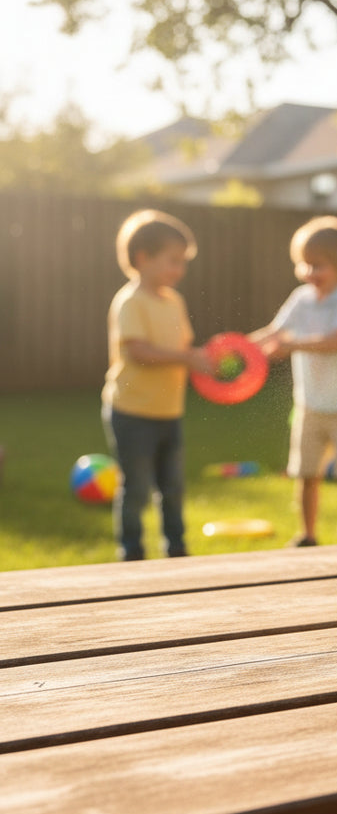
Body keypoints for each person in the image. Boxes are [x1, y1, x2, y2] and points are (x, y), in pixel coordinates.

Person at [250, 216, 337, 546]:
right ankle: (307, 534)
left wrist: (292, 345)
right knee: (305, 474)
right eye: (304, 265)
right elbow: (274, 332)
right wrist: (242, 347)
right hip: (311, 405)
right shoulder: (301, 298)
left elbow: (336, 342)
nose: (309, 273)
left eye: (318, 265)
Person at [102, 209, 213, 560]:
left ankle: (176, 548)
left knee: (173, 486)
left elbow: (181, 349)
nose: (179, 270)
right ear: (142, 259)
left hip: (169, 411)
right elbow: (138, 352)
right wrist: (185, 358)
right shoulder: (130, 301)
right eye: (173, 261)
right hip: (132, 411)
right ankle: (131, 552)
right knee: (135, 487)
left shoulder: (174, 301)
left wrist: (203, 360)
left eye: (183, 262)